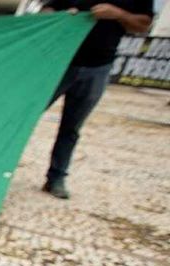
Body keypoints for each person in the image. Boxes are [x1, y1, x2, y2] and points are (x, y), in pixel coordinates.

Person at [41, 0, 153, 199]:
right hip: (58, 63)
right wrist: (60, 16)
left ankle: (56, 177)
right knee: (24, 118)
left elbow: (143, 25)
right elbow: (47, 9)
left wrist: (118, 14)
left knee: (71, 128)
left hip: (98, 67)